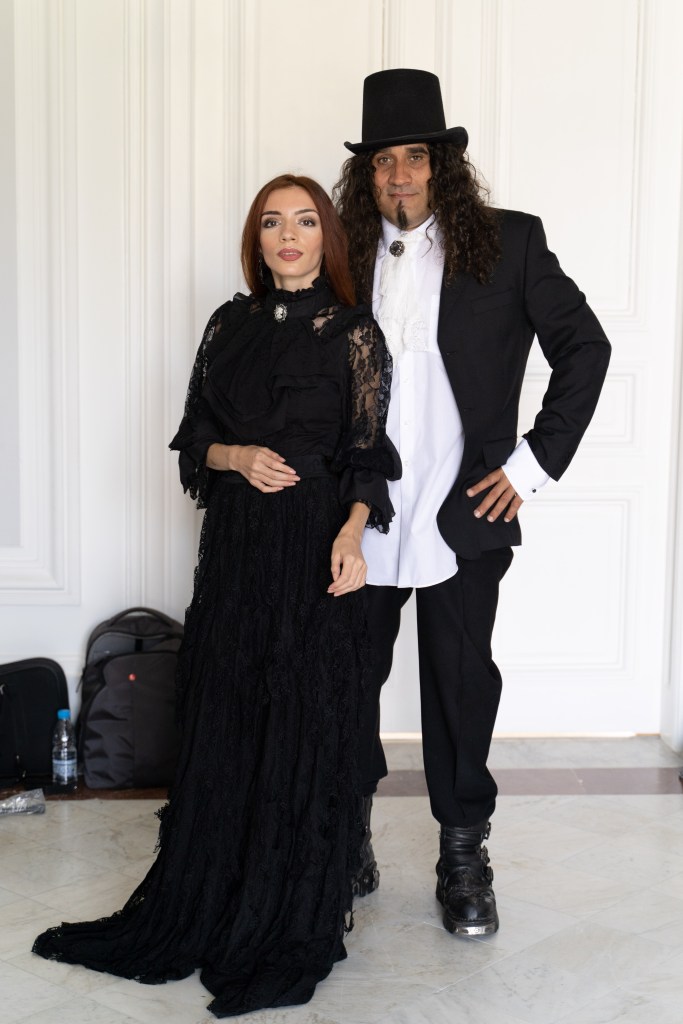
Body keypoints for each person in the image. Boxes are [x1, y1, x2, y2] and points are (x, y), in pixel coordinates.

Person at [33, 174, 399, 1018]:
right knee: (231, 708)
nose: (288, 235)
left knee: (301, 717)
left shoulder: (354, 332)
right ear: (256, 240)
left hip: (313, 548)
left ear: (326, 239)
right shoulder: (227, 325)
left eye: (304, 221)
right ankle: (215, 888)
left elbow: (367, 453)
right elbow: (195, 434)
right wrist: (236, 457)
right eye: (272, 222)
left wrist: (350, 537)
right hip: (234, 548)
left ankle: (293, 895)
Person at [334, 69, 611, 936]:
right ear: (366, 175)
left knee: (460, 683)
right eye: (382, 161)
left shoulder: (507, 242)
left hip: (465, 508)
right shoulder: (340, 252)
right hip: (358, 510)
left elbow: (585, 347)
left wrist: (529, 468)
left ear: (442, 165)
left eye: (414, 157)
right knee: (344, 679)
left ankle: (461, 852)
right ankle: (345, 838)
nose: (398, 176)